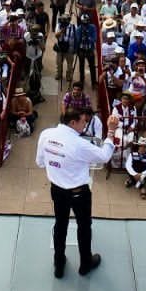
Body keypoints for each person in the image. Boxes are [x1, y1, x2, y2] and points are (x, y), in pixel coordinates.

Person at [35, 107, 115, 278]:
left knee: (60, 225)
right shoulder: (80, 144)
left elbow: (40, 162)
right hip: (79, 193)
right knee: (84, 227)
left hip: (57, 190)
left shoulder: (46, 134)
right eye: (83, 121)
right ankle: (85, 264)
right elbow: (104, 156)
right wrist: (112, 132)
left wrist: (58, 166)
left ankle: (59, 264)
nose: (85, 125)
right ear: (73, 122)